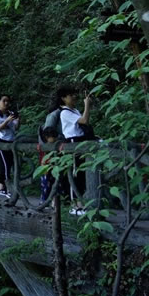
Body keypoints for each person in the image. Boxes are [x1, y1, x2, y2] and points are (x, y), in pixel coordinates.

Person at [56, 86, 92, 215]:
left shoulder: (74, 110)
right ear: (63, 98)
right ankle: (74, 205)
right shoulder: (65, 112)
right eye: (70, 95)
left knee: (81, 174)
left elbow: (84, 123)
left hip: (80, 142)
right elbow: (84, 120)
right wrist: (87, 105)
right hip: (72, 143)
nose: (74, 97)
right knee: (75, 173)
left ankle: (80, 203)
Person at [0, 94, 19, 198]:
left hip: (11, 140)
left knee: (9, 164)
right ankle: (7, 188)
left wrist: (17, 119)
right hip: (0, 140)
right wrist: (7, 120)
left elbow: (15, 127)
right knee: (6, 164)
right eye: (4, 101)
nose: (6, 103)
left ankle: (1, 187)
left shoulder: (11, 113)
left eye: (8, 101)